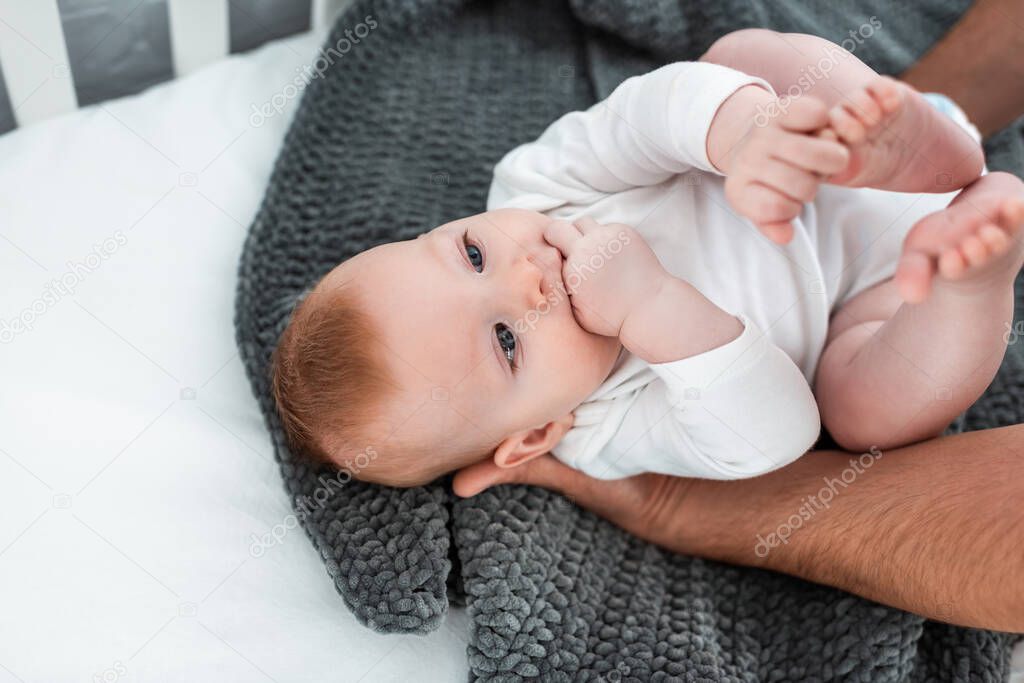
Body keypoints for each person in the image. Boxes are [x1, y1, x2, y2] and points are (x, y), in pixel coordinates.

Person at [270, 28, 1022, 494]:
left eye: (471, 253)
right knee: (860, 413)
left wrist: (741, 140)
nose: (523, 276)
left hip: (817, 141)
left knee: (736, 60)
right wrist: (650, 304)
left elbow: (643, 116)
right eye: (506, 338)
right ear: (535, 435)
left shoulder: (531, 186)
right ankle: (970, 280)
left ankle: (903, 136)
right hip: (879, 288)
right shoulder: (605, 432)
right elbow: (776, 434)